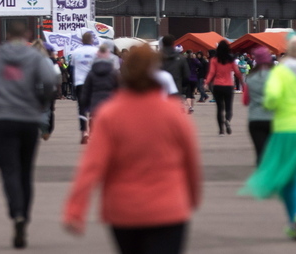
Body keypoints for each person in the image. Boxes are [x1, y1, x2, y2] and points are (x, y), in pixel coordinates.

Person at [64, 45, 202, 254]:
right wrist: (192, 197)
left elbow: (92, 166)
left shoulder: (109, 115)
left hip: (123, 210)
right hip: (169, 207)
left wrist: (75, 209)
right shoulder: (173, 114)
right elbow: (190, 161)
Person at [0, 20, 59, 249]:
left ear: (7, 36)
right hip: (29, 120)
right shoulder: (35, 58)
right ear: (27, 35)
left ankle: (16, 212)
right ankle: (25, 216)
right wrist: (41, 101)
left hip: (3, 120)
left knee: (9, 169)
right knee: (25, 170)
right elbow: (51, 80)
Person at [240, 36, 296, 242]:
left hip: (284, 130)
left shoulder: (280, 72)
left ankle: (292, 221)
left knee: (286, 177)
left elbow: (271, 98)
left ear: (288, 52)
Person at [242, 47, 275, 164]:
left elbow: (245, 100)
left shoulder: (250, 78)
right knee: (272, 151)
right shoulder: (276, 77)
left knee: (260, 152)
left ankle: (261, 175)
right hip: (273, 119)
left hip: (255, 119)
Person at [205, 40, 243, 136]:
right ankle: (227, 120)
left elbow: (212, 72)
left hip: (217, 85)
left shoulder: (214, 59)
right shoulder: (231, 59)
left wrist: (207, 82)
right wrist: (242, 81)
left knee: (219, 108)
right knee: (228, 107)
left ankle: (221, 130)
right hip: (229, 86)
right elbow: (237, 72)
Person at [79, 45, 119, 138]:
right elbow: (119, 89)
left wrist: (84, 104)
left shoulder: (91, 73)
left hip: (95, 103)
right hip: (110, 103)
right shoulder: (114, 73)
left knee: (95, 125)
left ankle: (94, 136)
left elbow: (86, 90)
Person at [67, 32, 99, 144]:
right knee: (93, 108)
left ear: (81, 40)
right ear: (92, 40)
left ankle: (84, 132)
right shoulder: (96, 51)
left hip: (80, 83)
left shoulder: (75, 52)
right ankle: (92, 132)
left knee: (81, 107)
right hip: (93, 83)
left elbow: (71, 67)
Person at [160, 36, 190, 107]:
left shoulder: (155, 58)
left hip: (159, 91)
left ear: (162, 43)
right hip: (176, 89)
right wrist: (182, 87)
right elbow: (186, 76)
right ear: (173, 44)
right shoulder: (181, 58)